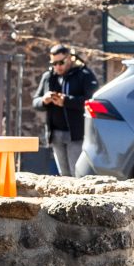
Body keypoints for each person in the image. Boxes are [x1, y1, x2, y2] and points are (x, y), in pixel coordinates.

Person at [34, 43, 95, 176]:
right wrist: (44, 100)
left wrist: (66, 101)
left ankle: (79, 196)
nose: (57, 66)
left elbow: (91, 100)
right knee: (64, 174)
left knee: (77, 173)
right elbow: (35, 101)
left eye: (61, 62)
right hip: (55, 134)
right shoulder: (48, 77)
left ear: (69, 59)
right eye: (54, 63)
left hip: (76, 134)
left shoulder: (84, 74)